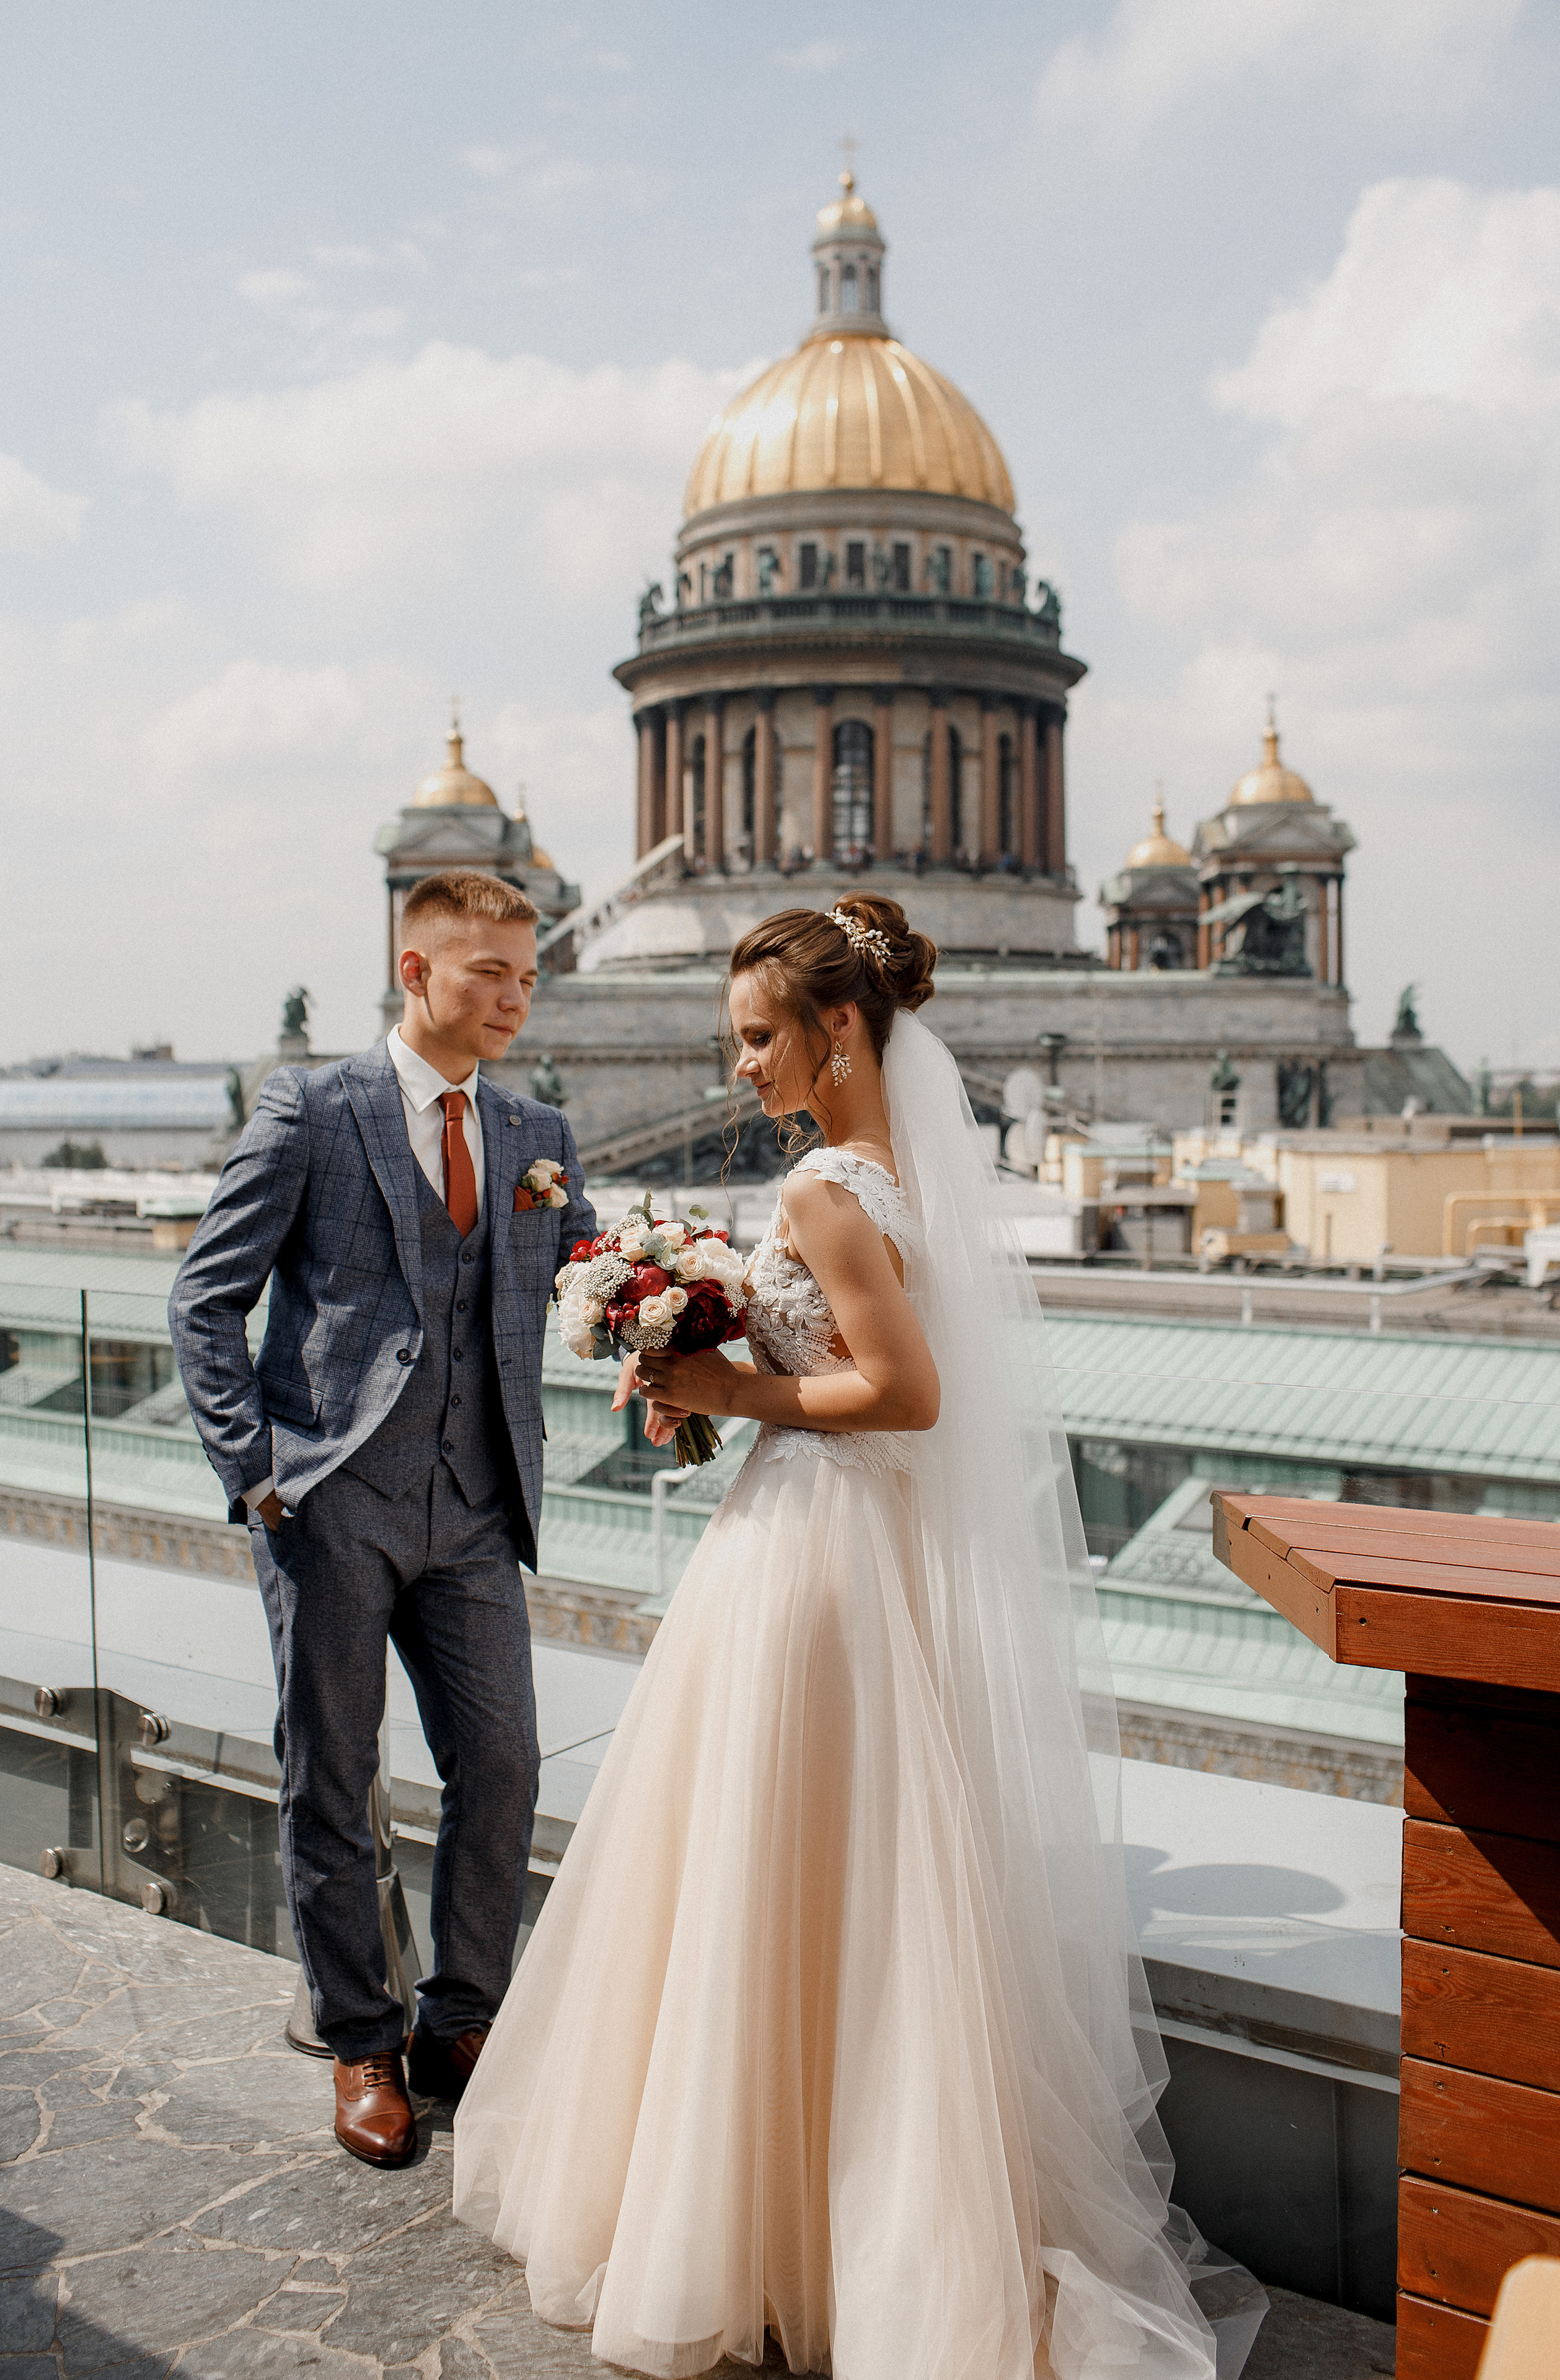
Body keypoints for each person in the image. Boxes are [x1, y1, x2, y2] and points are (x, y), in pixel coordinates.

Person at [453, 897, 1261, 2379]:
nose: (740, 1066)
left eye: (757, 1038)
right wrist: (714, 1349)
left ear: (836, 1029)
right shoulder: (899, 1178)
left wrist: (723, 1387)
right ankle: (838, 2220)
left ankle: (744, 2221)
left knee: (762, 1864)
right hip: (860, 1546)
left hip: (812, 1545)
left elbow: (903, 1393)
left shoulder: (825, 1189)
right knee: (860, 1875)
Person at [170, 870, 598, 2171]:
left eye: (528, 978)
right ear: (416, 971)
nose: (515, 999)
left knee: (504, 1765)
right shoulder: (312, 1107)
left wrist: (682, 1311)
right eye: (489, 974)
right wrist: (255, 1470)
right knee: (331, 1774)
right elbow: (207, 1296)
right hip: (331, 1501)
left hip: (475, 1507)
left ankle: (460, 2018)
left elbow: (589, 1276)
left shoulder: (536, 1130)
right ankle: (362, 2038)